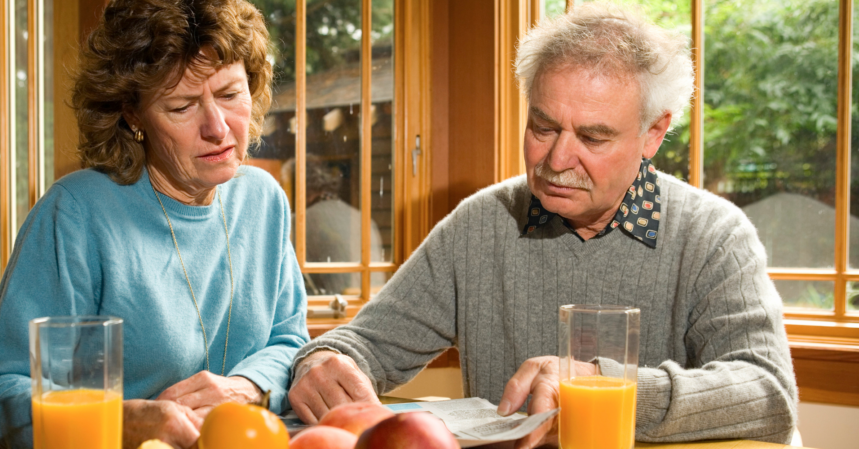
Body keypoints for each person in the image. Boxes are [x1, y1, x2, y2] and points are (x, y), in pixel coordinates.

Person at [287, 3, 798, 448]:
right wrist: (323, 360)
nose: (557, 158)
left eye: (593, 137)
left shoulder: (713, 236)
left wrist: (602, 386)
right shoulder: (481, 225)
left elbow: (768, 394)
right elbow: (365, 345)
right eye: (543, 126)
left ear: (654, 132)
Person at [0, 1, 309, 448]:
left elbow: (288, 341)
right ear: (133, 114)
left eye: (229, 94)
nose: (218, 128)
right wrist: (118, 423)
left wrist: (247, 387)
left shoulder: (263, 199)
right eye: (182, 106)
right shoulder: (78, 213)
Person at [282, 156, 387, 296]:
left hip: (335, 310)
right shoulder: (362, 218)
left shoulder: (300, 223)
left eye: (284, 187)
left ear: (297, 187)